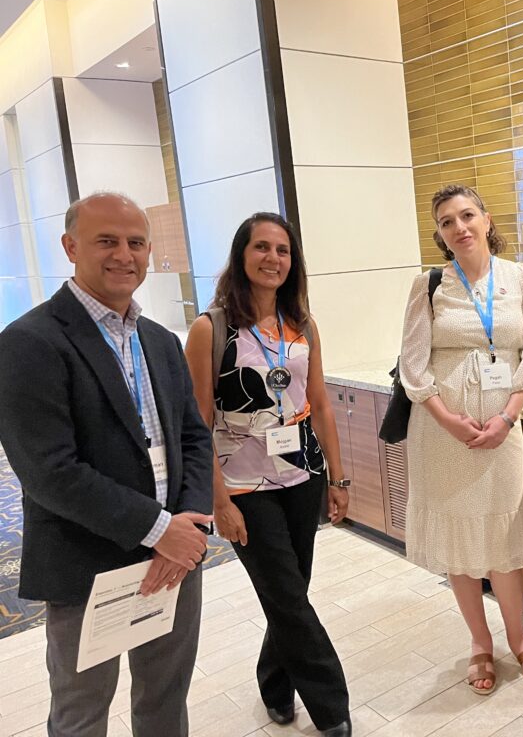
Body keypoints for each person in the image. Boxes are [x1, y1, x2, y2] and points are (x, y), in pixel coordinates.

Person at [0, 192, 213, 736]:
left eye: (136, 242)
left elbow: (193, 436)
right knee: (81, 713)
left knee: (166, 699)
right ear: (70, 247)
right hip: (87, 560)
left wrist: (187, 523)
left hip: (174, 556)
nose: (125, 254)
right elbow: (50, 471)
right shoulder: (29, 342)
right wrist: (159, 529)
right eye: (106, 241)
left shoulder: (160, 340)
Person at [184, 213, 351, 737]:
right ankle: (333, 708)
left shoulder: (302, 325)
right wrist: (219, 502)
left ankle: (274, 683)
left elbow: (319, 403)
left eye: (282, 250)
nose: (272, 258)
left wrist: (339, 478)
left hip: (303, 475)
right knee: (285, 593)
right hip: (243, 486)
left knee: (289, 590)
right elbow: (198, 423)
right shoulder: (210, 329)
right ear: (241, 256)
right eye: (261, 247)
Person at [400, 184, 523, 695]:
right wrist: (448, 420)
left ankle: (519, 636)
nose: (459, 227)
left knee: (504, 539)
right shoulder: (429, 284)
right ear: (440, 234)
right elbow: (412, 366)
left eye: (467, 216)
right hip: (443, 438)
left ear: (486, 220)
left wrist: (507, 417)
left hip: (503, 431)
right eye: (447, 222)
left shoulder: (521, 279)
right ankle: (480, 643)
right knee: (459, 541)